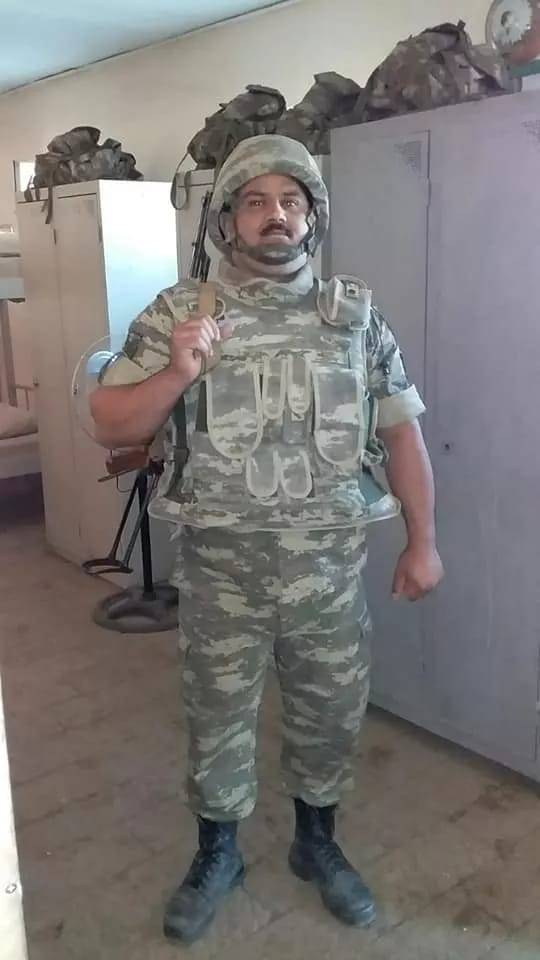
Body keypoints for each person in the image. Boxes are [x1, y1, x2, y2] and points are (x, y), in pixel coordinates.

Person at [90, 134, 443, 944]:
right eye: (255, 201)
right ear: (228, 219)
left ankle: (317, 844)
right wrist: (177, 373)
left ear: (314, 218)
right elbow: (107, 423)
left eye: (291, 201)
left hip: (329, 576)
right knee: (216, 718)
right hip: (222, 578)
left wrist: (423, 541)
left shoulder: (355, 317)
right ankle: (218, 854)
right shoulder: (181, 313)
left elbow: (403, 435)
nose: (275, 215)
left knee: (331, 715)